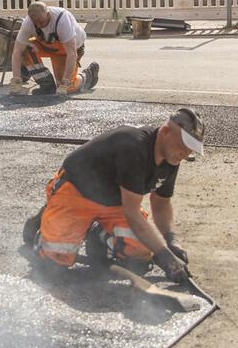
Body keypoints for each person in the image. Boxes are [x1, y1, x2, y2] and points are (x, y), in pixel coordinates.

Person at [21, 109, 206, 283]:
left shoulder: (171, 158)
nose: (185, 154)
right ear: (165, 132)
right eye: (183, 146)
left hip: (115, 203)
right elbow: (132, 214)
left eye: (190, 149)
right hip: (76, 193)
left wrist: (171, 239)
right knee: (53, 267)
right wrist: (165, 257)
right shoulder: (134, 146)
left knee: (140, 255)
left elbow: (161, 202)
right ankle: (41, 225)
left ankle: (96, 232)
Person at [9, 1, 98, 94]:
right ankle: (47, 85)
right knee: (25, 48)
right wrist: (16, 80)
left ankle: (88, 76)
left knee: (67, 88)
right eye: (36, 23)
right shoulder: (28, 22)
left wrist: (65, 82)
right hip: (47, 46)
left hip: (68, 50)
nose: (39, 25)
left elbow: (72, 54)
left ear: (48, 14)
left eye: (41, 22)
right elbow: (17, 51)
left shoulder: (62, 20)